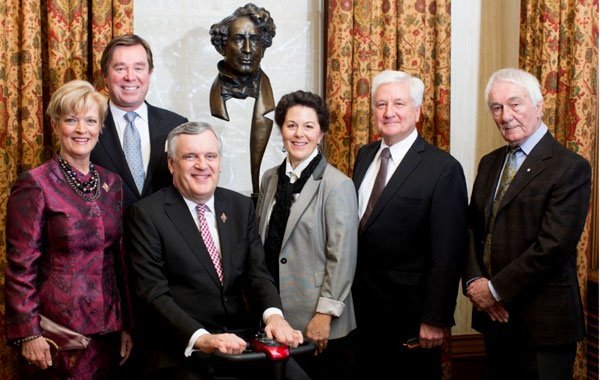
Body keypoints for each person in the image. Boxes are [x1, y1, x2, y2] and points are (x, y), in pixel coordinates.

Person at [125, 122, 304, 380]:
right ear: (172, 164)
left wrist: (274, 317)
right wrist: (204, 339)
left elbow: (257, 274)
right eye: (190, 157)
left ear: (219, 163)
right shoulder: (146, 215)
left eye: (210, 156)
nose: (202, 165)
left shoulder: (240, 207)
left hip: (241, 342)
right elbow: (152, 295)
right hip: (183, 349)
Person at [464, 68, 591, 380]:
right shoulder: (490, 162)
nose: (505, 116)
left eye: (515, 104)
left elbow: (553, 246)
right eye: (496, 107)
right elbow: (471, 231)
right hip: (494, 321)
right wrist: (474, 284)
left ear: (539, 105)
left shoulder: (570, 167)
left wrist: (495, 290)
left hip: (543, 327)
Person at [4, 80, 133, 379]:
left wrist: (127, 323)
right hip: (57, 335)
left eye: (90, 121)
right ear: (56, 124)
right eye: (71, 120)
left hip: (109, 332)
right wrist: (28, 333)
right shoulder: (36, 184)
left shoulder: (111, 184)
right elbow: (20, 266)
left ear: (100, 127)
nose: (81, 130)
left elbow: (119, 260)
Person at [351, 70, 468, 379]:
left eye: (399, 103)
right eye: (381, 104)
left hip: (410, 319)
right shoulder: (364, 156)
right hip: (360, 314)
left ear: (417, 111)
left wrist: (435, 318)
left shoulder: (443, 169)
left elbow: (448, 252)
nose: (389, 112)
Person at [255, 90, 358, 379]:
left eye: (309, 126)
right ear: (281, 130)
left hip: (318, 320)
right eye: (291, 125)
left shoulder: (337, 185)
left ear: (321, 133)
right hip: (274, 317)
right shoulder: (270, 179)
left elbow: (343, 257)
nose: (299, 134)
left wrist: (324, 316)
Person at [91, 34, 188, 209]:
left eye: (138, 68)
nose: (130, 77)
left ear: (149, 73)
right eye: (120, 68)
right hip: (107, 235)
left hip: (163, 235)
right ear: (105, 76)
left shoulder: (177, 126)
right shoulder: (85, 129)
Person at [209, 3, 276, 195]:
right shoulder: (208, 102)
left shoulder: (279, 106)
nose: (247, 49)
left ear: (263, 47)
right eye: (239, 39)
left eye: (254, 40)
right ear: (223, 46)